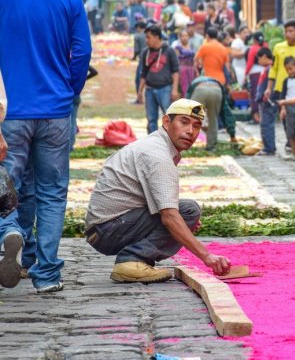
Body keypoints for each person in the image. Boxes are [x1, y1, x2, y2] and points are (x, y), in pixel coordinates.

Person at [0, 0, 92, 293]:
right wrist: (67, 94)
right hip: (55, 111)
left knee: (8, 183)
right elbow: (82, 53)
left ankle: (10, 231)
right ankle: (47, 275)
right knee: (53, 191)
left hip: (10, 112)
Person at [85, 99, 231, 283]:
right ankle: (132, 260)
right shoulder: (158, 156)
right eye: (184, 122)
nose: (190, 131)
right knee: (187, 212)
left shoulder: (156, 145)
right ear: (167, 122)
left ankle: (133, 259)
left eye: (196, 126)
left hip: (105, 228)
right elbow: (169, 216)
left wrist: (181, 222)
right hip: (108, 230)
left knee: (185, 212)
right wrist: (206, 256)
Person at [137, 24, 180, 133]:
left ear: (156, 37)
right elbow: (143, 73)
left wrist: (174, 89)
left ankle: (169, 143)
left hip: (165, 89)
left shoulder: (169, 51)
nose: (146, 40)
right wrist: (140, 91)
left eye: (148, 37)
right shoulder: (145, 53)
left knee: (169, 118)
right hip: (150, 89)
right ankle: (152, 144)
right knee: (151, 119)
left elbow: (175, 71)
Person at [265, 20, 295, 106]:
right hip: (280, 89)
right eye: (286, 31)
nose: (287, 34)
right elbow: (273, 69)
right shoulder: (278, 47)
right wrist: (269, 88)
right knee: (283, 116)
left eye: (290, 31)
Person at [187, 76, 237, 151]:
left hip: (199, 90)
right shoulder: (217, 82)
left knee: (191, 119)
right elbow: (226, 112)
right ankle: (211, 148)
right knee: (213, 120)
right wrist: (232, 135)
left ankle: (186, 145)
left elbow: (185, 106)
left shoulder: (194, 82)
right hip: (216, 90)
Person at [279, 57, 295, 161]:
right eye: (287, 69)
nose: (289, 71)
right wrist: (283, 109)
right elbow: (283, 96)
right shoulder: (286, 81)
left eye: (291, 68)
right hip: (289, 107)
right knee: (291, 131)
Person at [254, 48, 277, 155]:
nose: (258, 61)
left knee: (266, 123)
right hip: (265, 100)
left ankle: (269, 148)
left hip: (268, 100)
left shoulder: (271, 69)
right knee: (266, 123)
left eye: (259, 59)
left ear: (264, 56)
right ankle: (269, 146)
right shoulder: (267, 68)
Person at [172, 29, 196, 97]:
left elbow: (194, 59)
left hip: (191, 70)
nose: (184, 38)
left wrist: (195, 70)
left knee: (192, 88)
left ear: (188, 37)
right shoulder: (177, 47)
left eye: (186, 36)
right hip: (182, 70)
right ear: (180, 37)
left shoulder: (191, 46)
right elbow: (175, 60)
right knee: (184, 88)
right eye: (183, 36)